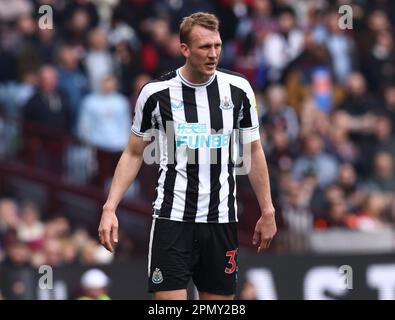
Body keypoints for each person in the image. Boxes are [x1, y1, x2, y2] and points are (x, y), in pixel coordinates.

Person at [98, 12, 276, 300]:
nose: (213, 54)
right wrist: (110, 208)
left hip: (221, 219)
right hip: (172, 218)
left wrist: (267, 209)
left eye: (217, 46)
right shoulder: (156, 94)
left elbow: (253, 151)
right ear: (185, 49)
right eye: (205, 47)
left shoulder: (239, 90)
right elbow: (133, 153)